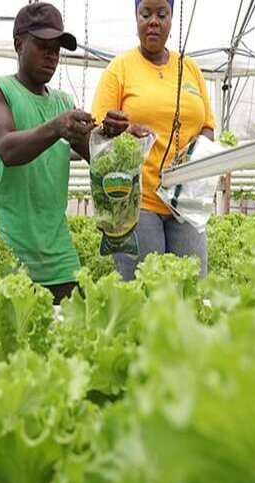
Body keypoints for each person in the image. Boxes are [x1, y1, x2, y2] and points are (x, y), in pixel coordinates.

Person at [0, 2, 95, 305]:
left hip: (59, 254)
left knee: (72, 339)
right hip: (11, 249)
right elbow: (8, 149)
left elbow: (96, 154)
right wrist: (57, 127)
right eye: (43, 46)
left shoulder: (63, 102)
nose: (52, 56)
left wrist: (114, 135)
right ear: (19, 44)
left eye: (56, 49)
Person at [92, 0, 216, 280]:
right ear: (136, 18)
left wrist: (190, 159)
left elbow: (208, 128)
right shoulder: (120, 69)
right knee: (144, 291)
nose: (153, 21)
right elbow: (97, 131)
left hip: (185, 203)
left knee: (191, 287)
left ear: (171, 20)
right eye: (145, 14)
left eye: (162, 14)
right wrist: (122, 130)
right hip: (138, 201)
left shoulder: (190, 69)